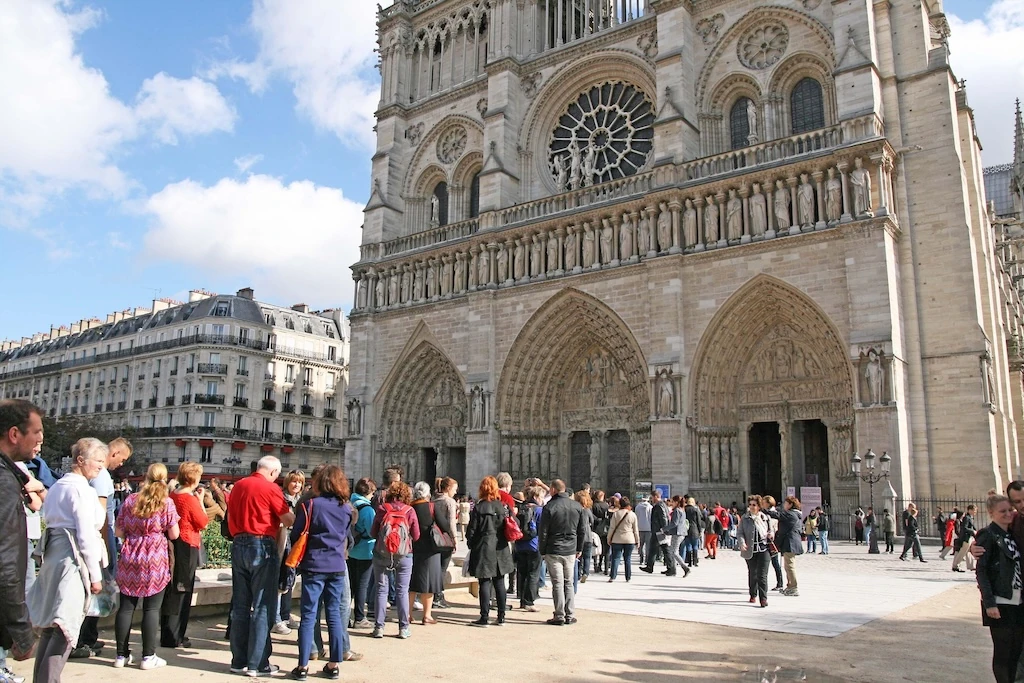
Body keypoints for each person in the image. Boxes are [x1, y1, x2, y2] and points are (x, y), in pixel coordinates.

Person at [29, 438, 109, 683]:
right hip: (72, 559)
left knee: (53, 626)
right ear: (81, 460)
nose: (101, 467)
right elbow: (84, 532)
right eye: (98, 461)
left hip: (56, 554)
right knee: (66, 627)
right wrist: (96, 576)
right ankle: (49, 679)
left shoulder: (60, 486)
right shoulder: (81, 489)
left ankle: (42, 679)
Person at [227, 455, 295, 678]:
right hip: (261, 545)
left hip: (238, 544)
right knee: (263, 605)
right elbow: (288, 520)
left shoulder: (238, 486)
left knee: (240, 605)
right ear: (274, 472)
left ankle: (238, 660)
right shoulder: (271, 488)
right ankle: (258, 663)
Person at [70, 436, 134, 660]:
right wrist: (104, 547)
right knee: (98, 587)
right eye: (122, 458)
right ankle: (84, 638)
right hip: (101, 533)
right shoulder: (102, 478)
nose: (122, 464)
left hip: (101, 533)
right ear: (114, 453)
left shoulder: (101, 477)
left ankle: (88, 635)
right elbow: (101, 515)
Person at [113, 463, 180, 670]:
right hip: (155, 557)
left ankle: (121, 655)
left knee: (126, 607)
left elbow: (118, 530)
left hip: (131, 554)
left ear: (146, 477)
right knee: (152, 608)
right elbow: (174, 534)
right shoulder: (166, 502)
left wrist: (134, 536)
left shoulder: (131, 500)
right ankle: (148, 656)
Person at [289, 465, 353, 681]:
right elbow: (345, 535)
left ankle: (303, 665)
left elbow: (296, 534)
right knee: (334, 615)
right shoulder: (346, 508)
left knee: (308, 615)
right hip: (336, 566)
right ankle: (334, 664)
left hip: (314, 566)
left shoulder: (310, 505)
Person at [0, 401, 44, 678]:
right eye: (36, 431)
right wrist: (20, 628)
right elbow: (4, 559)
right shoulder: (4, 481)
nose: (40, 439)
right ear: (15, 434)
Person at [976, 493, 1024, 683]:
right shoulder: (988, 535)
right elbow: (982, 572)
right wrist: (989, 603)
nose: (1008, 514)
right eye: (1002, 511)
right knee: (1003, 653)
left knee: (1015, 651)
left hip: (1017, 601)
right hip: (999, 602)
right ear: (991, 513)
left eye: (1010, 510)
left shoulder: (1011, 533)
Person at [161, 461, 208, 649]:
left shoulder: (173, 495)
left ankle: (168, 632)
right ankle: (176, 635)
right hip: (188, 543)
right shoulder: (189, 499)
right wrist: (201, 501)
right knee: (183, 589)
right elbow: (203, 522)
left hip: (173, 543)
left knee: (172, 588)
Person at [369, 480, 419, 639]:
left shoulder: (383, 508)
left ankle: (379, 627)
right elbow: (416, 535)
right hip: (404, 555)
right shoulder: (409, 510)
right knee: (402, 591)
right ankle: (403, 628)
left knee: (381, 589)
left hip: (382, 553)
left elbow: (373, 532)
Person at [466, 476, 514, 627]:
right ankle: (501, 616)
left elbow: (472, 530)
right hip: (500, 546)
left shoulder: (479, 507)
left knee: (485, 582)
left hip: (484, 546)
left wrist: (471, 543)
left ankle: (484, 617)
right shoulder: (502, 506)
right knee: (499, 582)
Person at [538, 479, 585, 626]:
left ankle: (559, 615)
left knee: (557, 583)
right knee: (568, 582)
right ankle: (570, 614)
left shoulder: (550, 507)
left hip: (554, 548)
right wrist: (579, 548)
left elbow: (543, 532)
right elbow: (582, 530)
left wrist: (542, 550)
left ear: (553, 490)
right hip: (570, 549)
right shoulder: (577, 506)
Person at [272, 470, 306, 637]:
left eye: (299, 482)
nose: (297, 485)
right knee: (280, 581)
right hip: (283, 541)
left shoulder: (300, 500)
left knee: (289, 581)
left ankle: (285, 615)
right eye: (294, 481)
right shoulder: (282, 499)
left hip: (295, 543)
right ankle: (276, 619)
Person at [409, 481, 447, 626]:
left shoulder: (410, 507)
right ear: (427, 493)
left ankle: (407, 614)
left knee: (412, 583)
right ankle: (427, 615)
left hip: (413, 548)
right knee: (429, 583)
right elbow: (444, 525)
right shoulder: (431, 507)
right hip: (431, 548)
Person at [347, 478, 377, 629]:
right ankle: (359, 617)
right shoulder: (367, 509)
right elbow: (373, 532)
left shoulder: (350, 504)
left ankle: (345, 616)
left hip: (350, 549)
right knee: (362, 585)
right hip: (365, 550)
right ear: (369, 492)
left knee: (350, 585)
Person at [514, 486, 544, 611]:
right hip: (533, 545)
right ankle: (529, 601)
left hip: (520, 544)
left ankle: (521, 598)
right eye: (542, 497)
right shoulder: (539, 510)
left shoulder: (521, 508)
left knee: (522, 572)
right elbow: (542, 529)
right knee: (533, 573)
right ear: (536, 497)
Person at [738, 496, 771, 608]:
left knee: (762, 575)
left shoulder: (764, 518)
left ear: (759, 506)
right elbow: (740, 533)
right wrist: (742, 543)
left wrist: (771, 534)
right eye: (750, 505)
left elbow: (770, 530)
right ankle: (753, 594)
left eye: (754, 505)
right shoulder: (745, 518)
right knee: (753, 574)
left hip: (763, 549)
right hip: (750, 550)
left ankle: (763, 599)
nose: (751, 507)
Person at [431, 477, 458, 610]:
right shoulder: (450, 502)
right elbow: (451, 523)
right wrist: (454, 539)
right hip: (446, 539)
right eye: (454, 489)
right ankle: (438, 595)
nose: (455, 491)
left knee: (436, 568)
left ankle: (434, 595)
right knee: (442, 569)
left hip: (435, 538)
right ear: (448, 488)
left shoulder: (433, 501)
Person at [770, 496, 803, 597]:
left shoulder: (791, 514)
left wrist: (764, 510)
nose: (784, 505)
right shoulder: (795, 514)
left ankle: (793, 587)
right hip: (790, 542)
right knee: (787, 566)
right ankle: (789, 586)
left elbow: (777, 515)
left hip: (790, 543)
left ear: (790, 504)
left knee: (790, 566)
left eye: (785, 503)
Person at [607, 496, 639, 582]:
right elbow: (635, 530)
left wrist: (609, 538)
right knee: (627, 558)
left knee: (615, 558)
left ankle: (613, 576)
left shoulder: (616, 514)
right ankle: (628, 577)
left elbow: (612, 528)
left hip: (617, 538)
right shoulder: (632, 514)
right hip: (629, 539)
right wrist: (637, 540)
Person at [641, 490, 673, 575]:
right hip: (658, 530)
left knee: (664, 549)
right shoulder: (661, 505)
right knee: (654, 549)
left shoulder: (659, 505)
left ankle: (671, 568)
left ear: (655, 496)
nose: (651, 499)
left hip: (659, 531)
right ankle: (650, 567)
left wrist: (664, 529)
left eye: (652, 497)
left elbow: (663, 518)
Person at [573, 490, 595, 587]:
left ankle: (577, 574)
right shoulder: (588, 510)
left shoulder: (576, 509)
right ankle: (585, 573)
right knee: (587, 556)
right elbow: (592, 521)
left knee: (578, 557)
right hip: (588, 536)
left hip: (578, 536)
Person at [663, 497, 687, 577]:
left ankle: (685, 568)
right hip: (681, 532)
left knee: (674, 552)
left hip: (677, 533)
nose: (671, 503)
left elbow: (675, 523)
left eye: (673, 501)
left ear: (677, 502)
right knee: (672, 551)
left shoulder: (677, 510)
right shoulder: (682, 509)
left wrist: (664, 528)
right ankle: (673, 570)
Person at [952, 504, 978, 572]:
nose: (975, 512)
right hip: (966, 537)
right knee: (962, 552)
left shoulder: (970, 517)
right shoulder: (967, 518)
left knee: (968, 551)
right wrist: (973, 531)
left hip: (969, 537)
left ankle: (971, 565)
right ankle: (956, 566)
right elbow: (965, 528)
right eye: (974, 510)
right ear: (970, 510)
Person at [591, 491, 611, 575]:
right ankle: (606, 568)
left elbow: (592, 516)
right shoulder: (606, 505)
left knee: (596, 547)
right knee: (606, 549)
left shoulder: (594, 505)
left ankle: (596, 565)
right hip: (605, 529)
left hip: (596, 528)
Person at [683, 497, 703, 568]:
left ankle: (689, 562)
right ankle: (695, 561)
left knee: (688, 546)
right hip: (695, 530)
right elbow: (699, 521)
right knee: (695, 546)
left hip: (686, 529)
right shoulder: (695, 510)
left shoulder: (684, 509)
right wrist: (700, 530)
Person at [635, 495, 652, 566]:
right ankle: (647, 559)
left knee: (640, 545)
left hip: (639, 527)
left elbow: (636, 517)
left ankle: (641, 558)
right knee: (648, 545)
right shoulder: (651, 507)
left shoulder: (637, 507)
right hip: (648, 528)